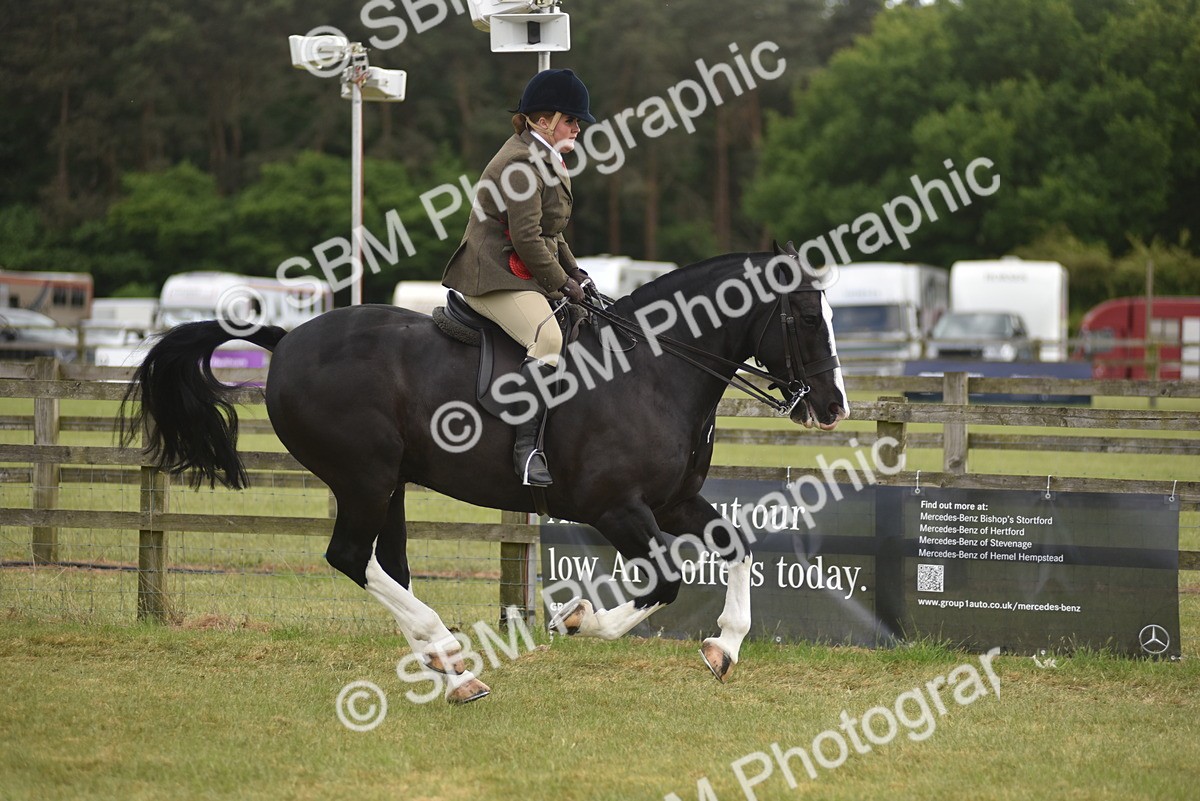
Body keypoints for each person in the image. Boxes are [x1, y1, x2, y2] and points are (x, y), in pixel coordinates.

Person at [442, 68, 595, 488]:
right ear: (543, 121)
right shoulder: (521, 163)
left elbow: (551, 232)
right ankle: (526, 451)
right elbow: (527, 238)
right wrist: (561, 283)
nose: (577, 128)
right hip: (491, 275)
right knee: (547, 338)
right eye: (571, 120)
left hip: (519, 270)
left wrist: (576, 273)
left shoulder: (547, 157)